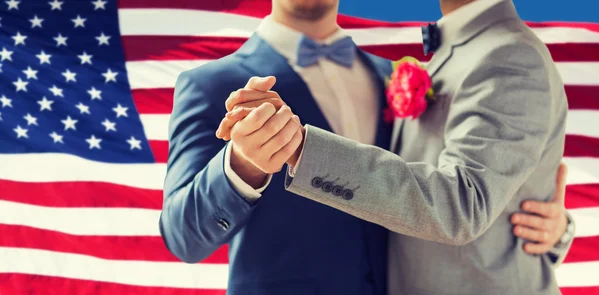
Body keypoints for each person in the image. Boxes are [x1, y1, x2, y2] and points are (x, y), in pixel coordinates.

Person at [161, 0, 573, 294]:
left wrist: (546, 223)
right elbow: (183, 237)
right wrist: (241, 166)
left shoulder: (390, 75)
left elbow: (445, 188)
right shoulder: (211, 85)